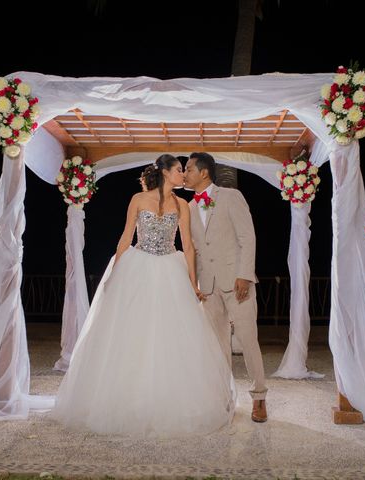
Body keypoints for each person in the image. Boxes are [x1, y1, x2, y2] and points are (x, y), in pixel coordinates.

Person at [50, 154, 236, 437]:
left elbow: (187, 245)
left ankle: (168, 400)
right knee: (132, 333)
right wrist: (116, 272)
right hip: (138, 267)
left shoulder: (182, 205)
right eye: (178, 170)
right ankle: (125, 399)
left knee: (170, 335)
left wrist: (192, 282)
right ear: (165, 172)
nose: (183, 176)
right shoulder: (138, 199)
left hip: (170, 269)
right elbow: (126, 237)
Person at [184, 152, 268, 422]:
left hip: (236, 282)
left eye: (187, 169)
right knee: (218, 345)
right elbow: (194, 249)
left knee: (247, 339)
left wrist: (244, 274)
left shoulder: (231, 197)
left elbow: (248, 237)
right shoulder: (188, 207)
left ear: (204, 172)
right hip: (207, 286)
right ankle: (225, 396)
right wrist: (195, 283)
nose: (184, 174)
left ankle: (259, 396)